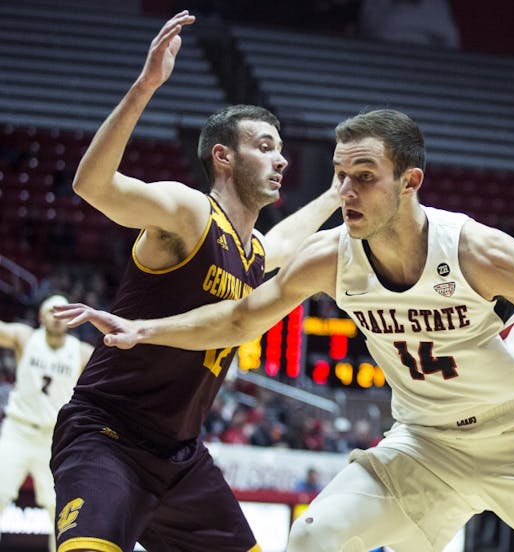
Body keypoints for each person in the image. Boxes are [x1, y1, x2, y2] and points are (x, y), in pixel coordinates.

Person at [56, 108, 514, 551]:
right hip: (424, 444)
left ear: (410, 181)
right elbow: (242, 317)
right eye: (342, 177)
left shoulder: (478, 250)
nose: (349, 191)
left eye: (365, 177)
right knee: (311, 538)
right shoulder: (332, 255)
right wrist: (149, 328)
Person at [48, 12, 340, 552]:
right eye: (265, 146)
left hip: (182, 458)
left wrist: (334, 195)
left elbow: (280, 247)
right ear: (223, 157)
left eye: (280, 149)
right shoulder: (190, 212)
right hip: (108, 436)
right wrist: (146, 86)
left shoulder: (250, 252)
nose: (281, 160)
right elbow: (92, 184)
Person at [0, 293, 93, 552]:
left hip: (54, 439)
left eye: (63, 312)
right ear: (41, 316)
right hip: (17, 430)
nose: (57, 317)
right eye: (52, 311)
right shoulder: (25, 337)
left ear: (71, 319)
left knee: (60, 511)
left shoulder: (82, 352)